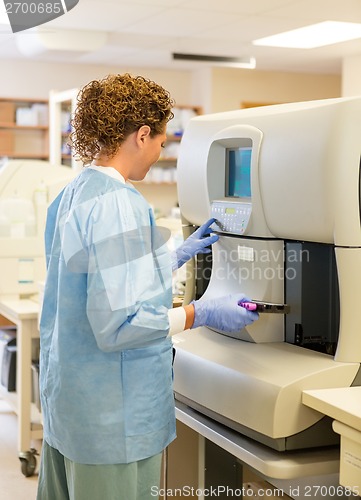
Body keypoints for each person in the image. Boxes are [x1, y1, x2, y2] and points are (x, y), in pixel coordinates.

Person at [36, 73, 258, 500]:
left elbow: (92, 278)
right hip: (112, 422)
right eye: (161, 140)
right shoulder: (120, 203)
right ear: (141, 135)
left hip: (72, 406)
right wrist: (200, 313)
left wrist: (173, 255)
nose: (160, 152)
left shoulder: (72, 195)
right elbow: (119, 324)